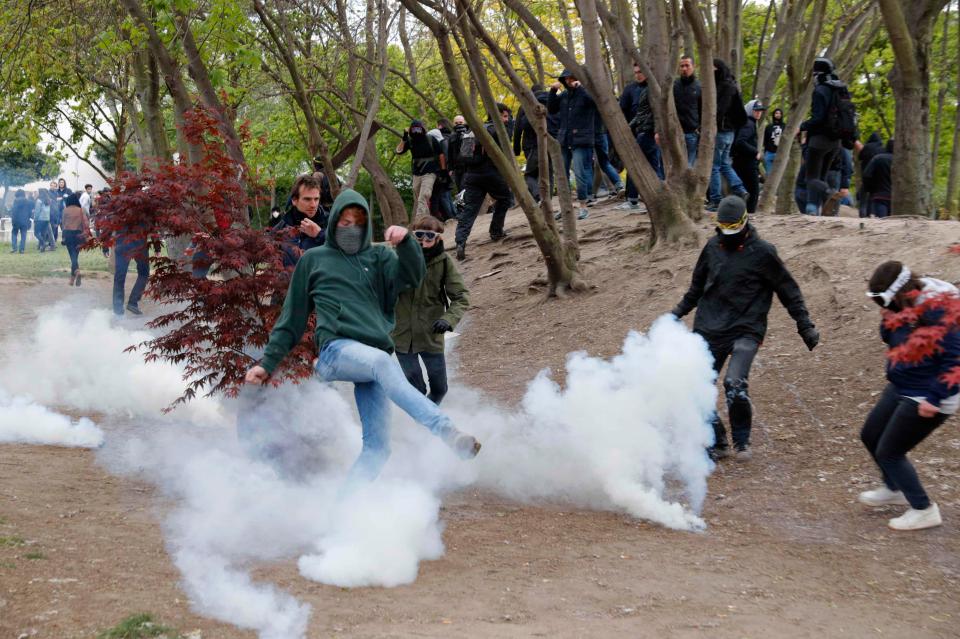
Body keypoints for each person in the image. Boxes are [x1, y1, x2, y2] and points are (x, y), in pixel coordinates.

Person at [244, 189, 481, 482]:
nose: (350, 227)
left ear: (366, 224)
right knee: (382, 362)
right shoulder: (314, 260)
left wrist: (406, 242)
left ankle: (343, 511)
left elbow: (413, 277)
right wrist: (266, 364)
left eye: (357, 221)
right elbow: (291, 319)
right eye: (344, 221)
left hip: (373, 361)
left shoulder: (380, 256)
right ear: (333, 224)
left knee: (378, 448)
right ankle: (447, 432)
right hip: (335, 351)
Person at [672, 195, 819, 460]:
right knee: (694, 387)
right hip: (709, 327)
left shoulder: (763, 252)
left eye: (733, 228)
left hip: (746, 329)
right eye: (724, 228)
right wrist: (675, 314)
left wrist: (804, 325)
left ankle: (742, 442)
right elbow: (696, 289)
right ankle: (717, 442)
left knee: (734, 383)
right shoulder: (711, 248)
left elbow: (789, 291)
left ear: (745, 222)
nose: (728, 234)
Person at [859, 261, 960, 531]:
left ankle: (923, 509)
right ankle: (894, 487)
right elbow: (892, 339)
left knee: (890, 451)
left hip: (929, 394)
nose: (881, 306)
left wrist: (936, 398)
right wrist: (887, 321)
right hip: (902, 383)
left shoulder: (940, 309)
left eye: (884, 301)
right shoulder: (903, 305)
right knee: (870, 435)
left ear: (901, 292)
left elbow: (955, 358)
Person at [393, 215, 469, 405]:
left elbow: (461, 296)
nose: (424, 242)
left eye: (429, 237)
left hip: (431, 335)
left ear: (438, 238)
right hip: (401, 337)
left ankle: (427, 418)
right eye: (419, 236)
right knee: (416, 390)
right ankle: (423, 426)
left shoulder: (444, 262)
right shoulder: (396, 258)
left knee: (440, 389)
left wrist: (449, 319)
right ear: (412, 236)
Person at [454, 103, 515, 261]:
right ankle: (496, 231)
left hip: (472, 175)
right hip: (490, 173)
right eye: (506, 116)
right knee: (506, 199)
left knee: (469, 210)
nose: (507, 120)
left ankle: (460, 242)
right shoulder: (496, 129)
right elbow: (507, 142)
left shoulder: (472, 130)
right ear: (498, 114)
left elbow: (463, 156)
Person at [799, 57, 851, 215]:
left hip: (818, 141)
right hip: (836, 142)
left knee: (811, 178)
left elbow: (818, 118)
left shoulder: (820, 90)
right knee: (820, 177)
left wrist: (802, 126)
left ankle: (830, 192)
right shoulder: (841, 89)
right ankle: (820, 213)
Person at [549, 68, 598, 220]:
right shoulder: (564, 96)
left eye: (572, 78)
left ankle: (583, 206)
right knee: (562, 175)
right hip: (565, 140)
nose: (570, 81)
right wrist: (552, 91)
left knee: (579, 173)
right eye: (567, 79)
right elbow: (551, 109)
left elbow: (594, 103)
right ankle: (565, 208)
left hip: (582, 140)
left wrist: (581, 87)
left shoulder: (586, 93)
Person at [617, 62, 663, 212]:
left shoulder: (653, 89)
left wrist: (657, 131)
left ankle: (633, 200)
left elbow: (657, 113)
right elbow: (640, 114)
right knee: (651, 165)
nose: (638, 74)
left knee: (635, 163)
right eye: (636, 72)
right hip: (642, 132)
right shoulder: (635, 90)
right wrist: (628, 128)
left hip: (648, 133)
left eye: (640, 72)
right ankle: (656, 198)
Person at [707, 59, 749, 211]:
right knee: (724, 164)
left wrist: (712, 127)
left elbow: (721, 109)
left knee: (715, 166)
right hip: (730, 132)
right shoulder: (732, 85)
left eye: (712, 68)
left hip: (721, 131)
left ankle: (716, 200)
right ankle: (740, 189)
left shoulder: (724, 87)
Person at [272, 174, 329, 267]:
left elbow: (347, 247)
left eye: (316, 199)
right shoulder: (282, 226)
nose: (313, 205)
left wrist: (320, 234)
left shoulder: (330, 222)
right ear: (294, 200)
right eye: (307, 199)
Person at [513, 84, 555, 202]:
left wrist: (516, 149)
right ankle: (548, 202)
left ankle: (538, 196)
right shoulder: (551, 102)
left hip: (531, 145)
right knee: (549, 173)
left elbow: (517, 129)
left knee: (530, 175)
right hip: (550, 144)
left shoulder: (525, 106)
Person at [396, 119, 444, 218]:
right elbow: (398, 151)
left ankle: (420, 219)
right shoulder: (410, 141)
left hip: (430, 172)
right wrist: (404, 138)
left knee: (424, 195)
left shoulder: (430, 139)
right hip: (416, 173)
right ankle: (426, 218)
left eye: (418, 128)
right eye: (414, 129)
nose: (416, 131)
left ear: (422, 128)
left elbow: (441, 154)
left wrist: (443, 170)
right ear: (410, 130)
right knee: (418, 196)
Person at [732, 100, 766, 213]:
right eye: (756, 110)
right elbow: (740, 142)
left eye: (760, 111)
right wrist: (755, 152)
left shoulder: (748, 123)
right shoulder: (748, 124)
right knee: (753, 190)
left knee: (746, 190)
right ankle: (750, 214)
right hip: (746, 163)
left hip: (743, 162)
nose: (758, 113)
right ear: (750, 110)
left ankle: (744, 213)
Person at [113, 226, 150, 316]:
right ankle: (133, 302)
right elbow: (152, 225)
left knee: (120, 276)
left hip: (122, 242)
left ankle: (118, 309)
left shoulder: (116, 211)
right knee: (144, 272)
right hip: (139, 243)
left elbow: (108, 222)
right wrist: (157, 248)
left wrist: (105, 247)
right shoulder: (144, 211)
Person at [673, 55, 702, 166]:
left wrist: (699, 128)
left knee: (689, 166)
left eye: (687, 65)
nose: (684, 68)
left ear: (693, 67)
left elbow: (703, 109)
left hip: (692, 133)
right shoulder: (674, 86)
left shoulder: (699, 87)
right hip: (675, 132)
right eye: (682, 66)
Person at [61, 192, 91, 285]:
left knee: (72, 256)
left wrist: (63, 235)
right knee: (75, 256)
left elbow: (63, 223)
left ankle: (76, 272)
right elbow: (86, 223)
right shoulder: (81, 210)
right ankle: (72, 278)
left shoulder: (65, 210)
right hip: (79, 234)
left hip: (68, 234)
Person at [863, 140, 893, 218]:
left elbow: (866, 174)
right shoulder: (902, 160)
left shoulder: (878, 158)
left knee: (882, 220)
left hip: (880, 195)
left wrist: (870, 189)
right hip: (898, 197)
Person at [857, 132, 885, 217]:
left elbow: (859, 158)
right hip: (876, 178)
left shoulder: (866, 148)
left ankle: (862, 215)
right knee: (872, 197)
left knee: (863, 198)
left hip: (866, 175)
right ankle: (870, 214)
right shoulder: (882, 149)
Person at [447, 115, 470, 193]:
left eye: (461, 122)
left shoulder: (470, 133)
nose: (459, 124)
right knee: (460, 189)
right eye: (456, 123)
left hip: (468, 167)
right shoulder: (452, 136)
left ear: (464, 122)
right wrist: (450, 168)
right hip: (457, 169)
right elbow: (449, 153)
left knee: (465, 188)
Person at [762, 108, 785, 175]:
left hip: (780, 153)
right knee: (769, 174)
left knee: (779, 174)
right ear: (773, 114)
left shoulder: (784, 126)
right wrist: (765, 151)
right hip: (769, 152)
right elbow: (765, 140)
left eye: (780, 113)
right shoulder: (769, 127)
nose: (778, 115)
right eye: (776, 113)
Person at [51, 178, 71, 245]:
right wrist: (59, 198)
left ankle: (64, 240)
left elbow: (72, 198)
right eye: (60, 182)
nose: (61, 183)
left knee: (64, 226)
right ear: (58, 183)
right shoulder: (56, 191)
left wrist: (67, 197)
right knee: (55, 226)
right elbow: (53, 199)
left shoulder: (68, 190)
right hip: (56, 211)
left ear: (64, 183)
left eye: (62, 182)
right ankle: (54, 240)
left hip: (65, 211)